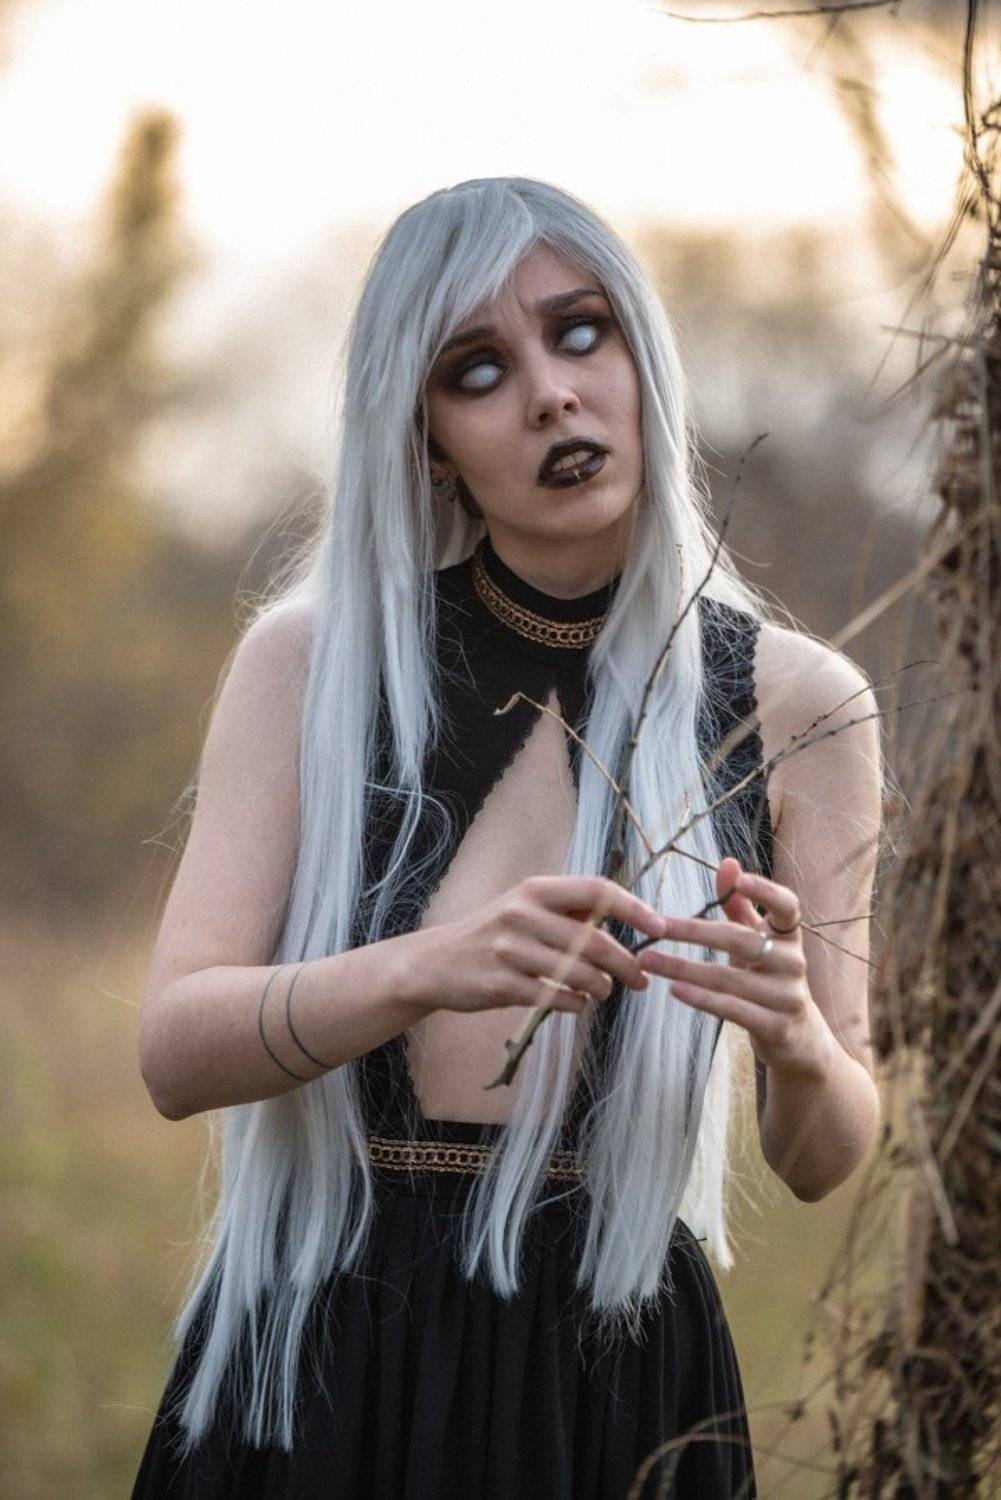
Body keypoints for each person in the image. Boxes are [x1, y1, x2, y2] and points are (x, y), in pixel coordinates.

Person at [131, 176, 883, 1499]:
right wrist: (425, 967)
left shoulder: (800, 704)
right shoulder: (312, 668)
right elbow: (175, 1052)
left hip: (623, 1380)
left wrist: (795, 1039)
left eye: (579, 332)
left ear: (642, 359)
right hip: (327, 1351)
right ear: (426, 441)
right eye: (476, 370)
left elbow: (826, 1159)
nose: (548, 394)